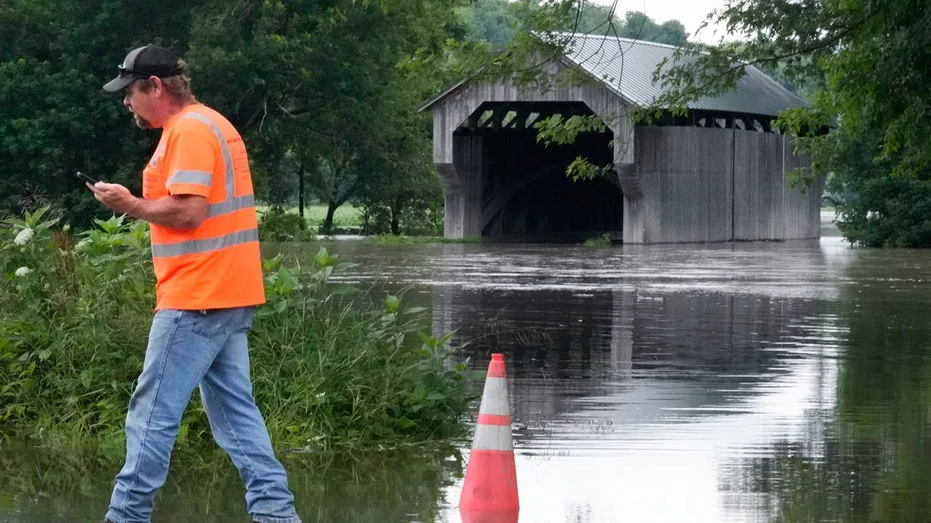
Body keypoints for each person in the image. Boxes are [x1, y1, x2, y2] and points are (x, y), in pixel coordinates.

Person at [90, 44, 301, 523]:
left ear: (156, 86)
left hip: (197, 296)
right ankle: (277, 515)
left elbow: (188, 210)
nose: (127, 103)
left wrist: (131, 205)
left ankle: (124, 517)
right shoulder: (211, 124)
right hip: (228, 292)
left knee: (151, 415)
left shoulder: (188, 131)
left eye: (130, 92)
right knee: (235, 417)